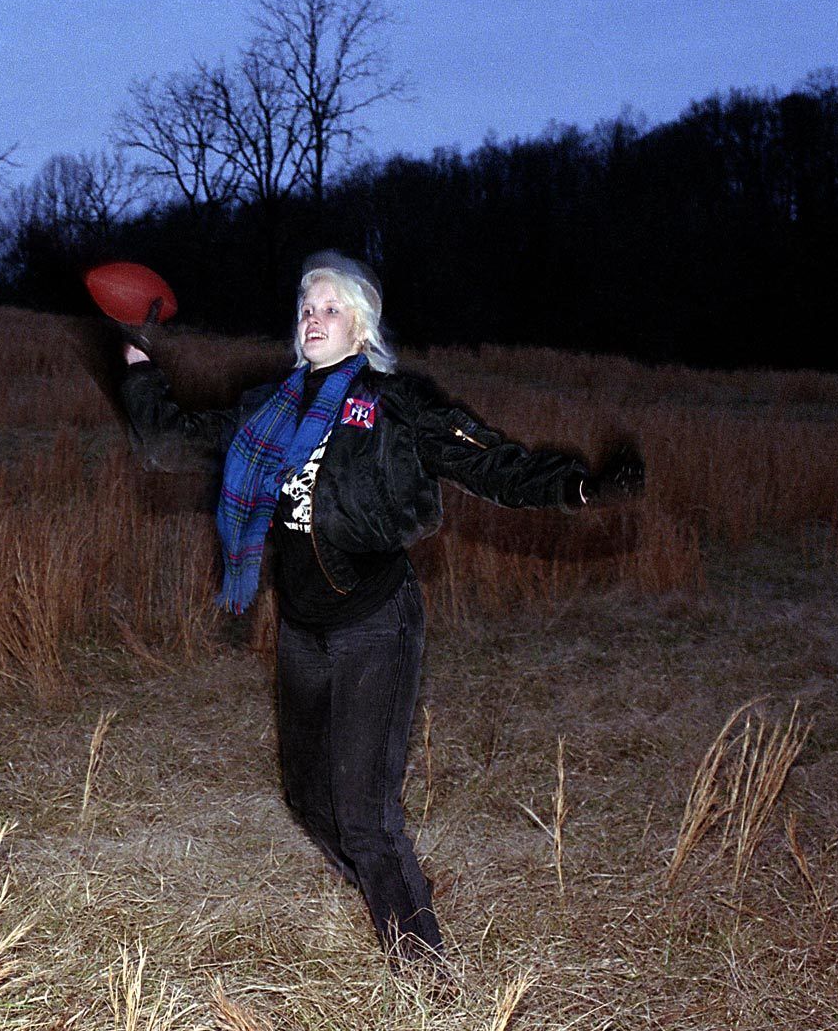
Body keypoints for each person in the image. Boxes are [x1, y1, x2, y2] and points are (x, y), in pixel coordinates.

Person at [118, 250, 644, 974]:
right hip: (303, 625)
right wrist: (137, 362)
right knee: (307, 799)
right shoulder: (266, 409)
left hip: (374, 619)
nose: (314, 318)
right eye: (306, 307)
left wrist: (578, 491)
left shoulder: (396, 403)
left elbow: (489, 460)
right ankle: (393, 892)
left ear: (360, 326)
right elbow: (166, 442)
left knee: (365, 814)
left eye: (330, 307)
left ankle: (423, 975)